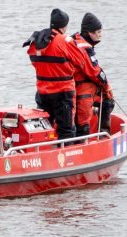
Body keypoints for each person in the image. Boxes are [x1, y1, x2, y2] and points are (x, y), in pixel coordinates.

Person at [22, 8, 90, 141]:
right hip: (63, 93)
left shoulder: (38, 40)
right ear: (64, 26)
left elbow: (33, 60)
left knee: (45, 129)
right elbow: (82, 62)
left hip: (42, 93)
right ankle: (68, 158)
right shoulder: (66, 41)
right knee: (66, 130)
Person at [72, 13, 114, 135]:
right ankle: (103, 135)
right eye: (98, 31)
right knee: (108, 100)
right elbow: (96, 72)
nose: (101, 34)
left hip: (71, 88)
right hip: (82, 91)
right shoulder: (85, 48)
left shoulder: (74, 40)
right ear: (90, 33)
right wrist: (107, 87)